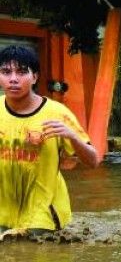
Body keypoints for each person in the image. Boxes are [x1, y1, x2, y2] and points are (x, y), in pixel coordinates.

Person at [0, 44, 100, 235]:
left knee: (42, 261)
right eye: (6, 72)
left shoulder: (57, 113)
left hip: (43, 215)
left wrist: (72, 136)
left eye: (21, 72)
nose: (13, 79)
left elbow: (94, 161)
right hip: (3, 212)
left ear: (35, 77)